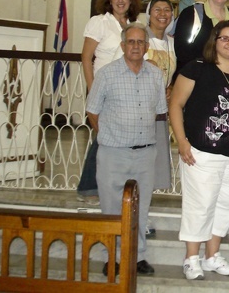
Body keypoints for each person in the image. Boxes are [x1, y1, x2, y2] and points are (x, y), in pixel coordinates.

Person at [169, 21, 229, 280]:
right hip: (202, 150)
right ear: (214, 41)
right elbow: (175, 104)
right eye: (224, 38)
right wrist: (181, 141)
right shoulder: (197, 68)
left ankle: (211, 256)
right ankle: (191, 258)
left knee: (227, 205)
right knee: (200, 205)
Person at [86, 22, 167, 277]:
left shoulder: (155, 75)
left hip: (145, 153)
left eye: (140, 42)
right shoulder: (107, 74)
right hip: (114, 153)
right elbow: (92, 112)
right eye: (130, 42)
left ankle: (137, 257)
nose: (135, 46)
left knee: (140, 209)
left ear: (146, 46)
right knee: (111, 209)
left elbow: (159, 111)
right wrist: (110, 137)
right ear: (122, 46)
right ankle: (113, 257)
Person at [78, 0, 142, 204]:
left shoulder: (133, 24)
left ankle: (114, 184)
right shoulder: (99, 22)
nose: (120, 0)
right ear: (109, 0)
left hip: (126, 89)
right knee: (104, 136)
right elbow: (86, 58)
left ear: (130, 0)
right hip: (103, 88)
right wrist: (92, 87)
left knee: (116, 138)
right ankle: (89, 187)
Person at [144, 0, 176, 195]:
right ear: (149, 13)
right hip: (141, 107)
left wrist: (170, 88)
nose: (162, 14)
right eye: (158, 10)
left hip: (160, 107)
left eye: (167, 10)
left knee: (155, 160)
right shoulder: (140, 37)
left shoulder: (172, 43)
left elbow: (172, 72)